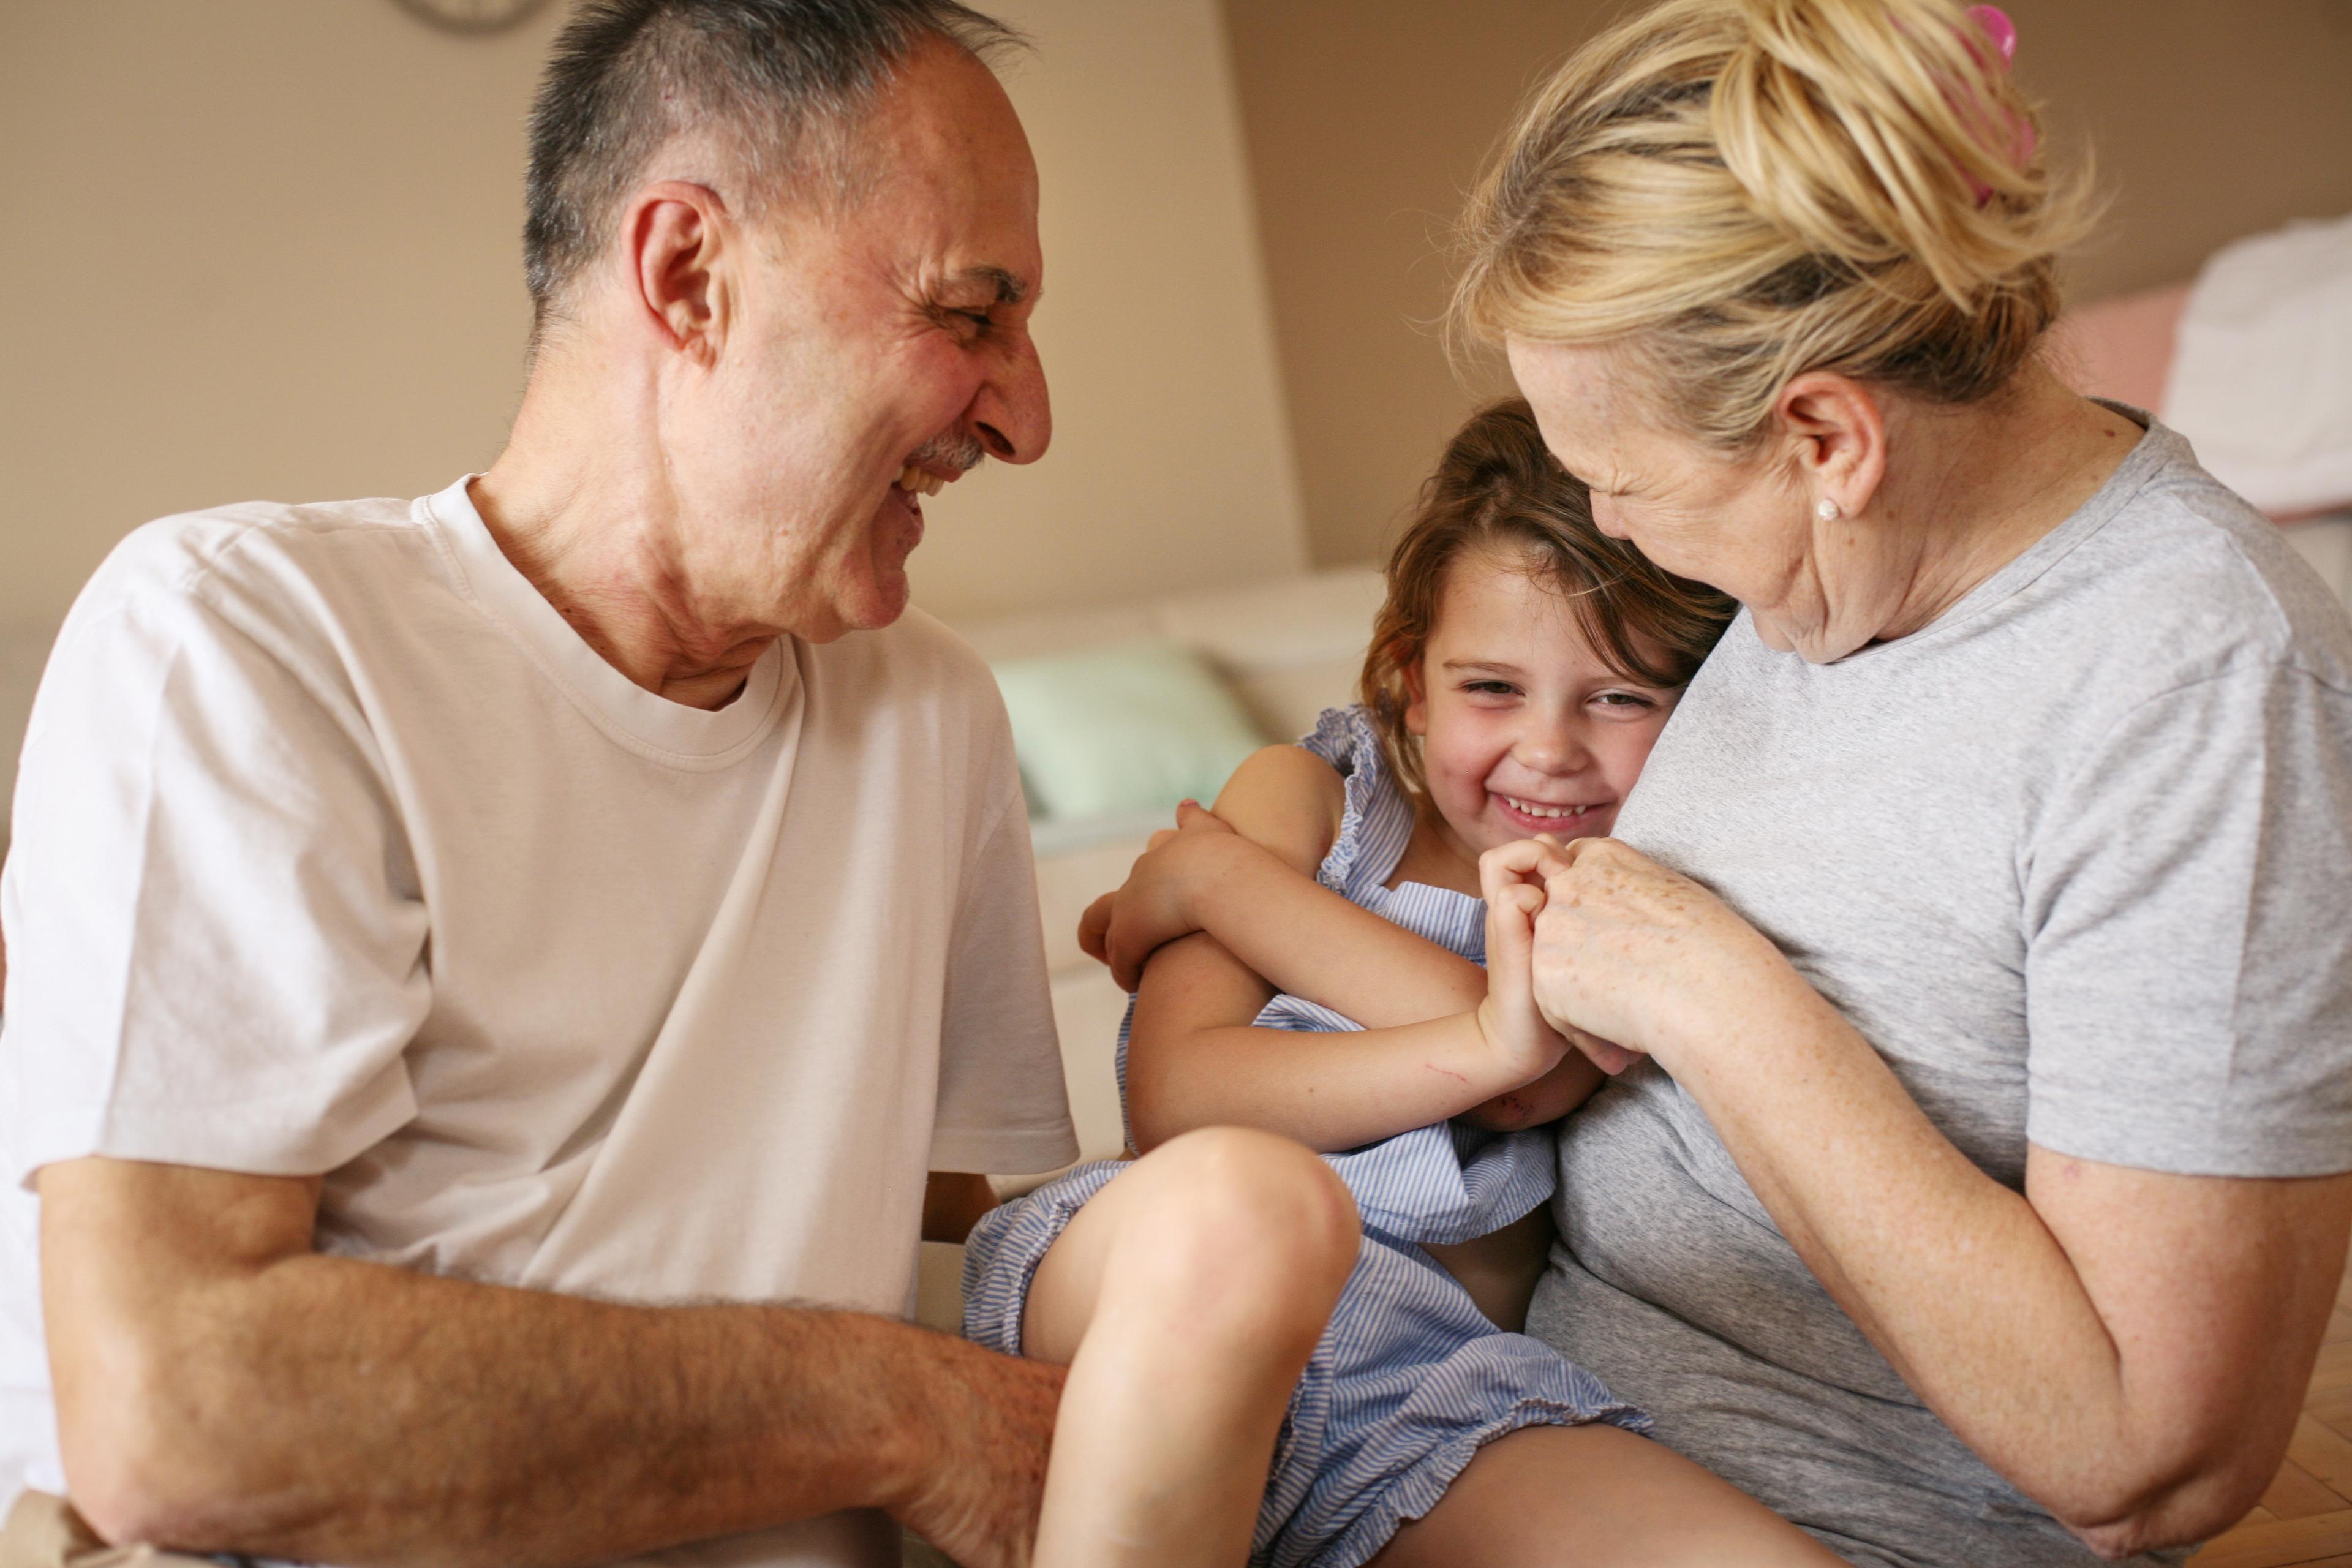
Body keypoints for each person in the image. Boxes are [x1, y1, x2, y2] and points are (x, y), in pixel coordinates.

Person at [0, 4, 1194, 1566]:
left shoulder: (929, 714)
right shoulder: (243, 637)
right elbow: (181, 1411)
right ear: (689, 275)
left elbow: (958, 1243)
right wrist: (909, 1411)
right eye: (972, 314)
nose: (1026, 418)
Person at [1446, 1, 2352, 1562]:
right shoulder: (1842, 574)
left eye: (1622, 480)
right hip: (1520, 1418)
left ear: (1828, 439)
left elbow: (2150, 1455)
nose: (1616, 525)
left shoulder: (2195, 684)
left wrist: (1718, 997)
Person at [964, 400, 1841, 1567]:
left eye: (1622, 696)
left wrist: (1224, 884)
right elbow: (1178, 1101)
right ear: (1411, 685)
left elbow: (1533, 1084)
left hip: (1425, 1398)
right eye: (1491, 689)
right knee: (1241, 1210)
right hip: (1164, 1292)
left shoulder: (1642, 887)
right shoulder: (1309, 800)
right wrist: (1488, 1036)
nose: (1549, 749)